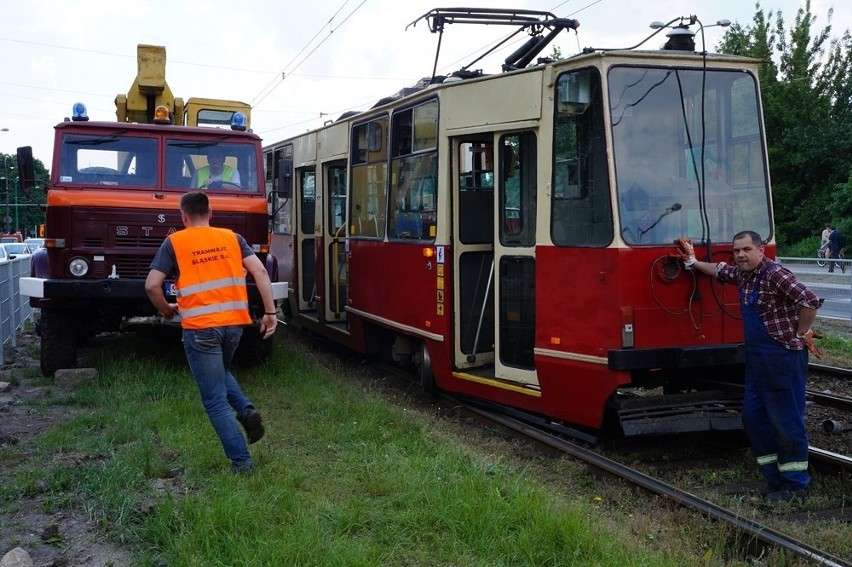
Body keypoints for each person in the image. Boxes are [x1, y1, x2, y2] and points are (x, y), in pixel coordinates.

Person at [678, 231, 821, 503]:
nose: (740, 255)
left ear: (760, 250)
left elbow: (810, 301)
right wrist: (693, 262)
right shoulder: (744, 275)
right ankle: (773, 478)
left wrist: (801, 333)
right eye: (736, 251)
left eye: (746, 249)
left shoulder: (776, 275)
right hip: (757, 359)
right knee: (753, 417)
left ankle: (795, 485)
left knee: (786, 420)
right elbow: (719, 270)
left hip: (781, 357)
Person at [145, 191, 277, 474]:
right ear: (210, 212)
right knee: (220, 371)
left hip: (201, 329)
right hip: (234, 326)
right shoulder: (232, 238)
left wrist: (166, 309)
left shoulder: (175, 242)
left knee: (214, 400)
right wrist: (270, 313)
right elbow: (261, 273)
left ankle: (242, 463)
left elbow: (152, 285)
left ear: (183, 216)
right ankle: (245, 409)